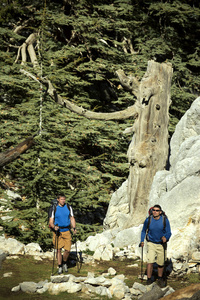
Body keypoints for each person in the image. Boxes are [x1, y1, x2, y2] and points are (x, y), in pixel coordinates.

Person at [140, 204, 171, 287]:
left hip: (161, 244)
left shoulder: (165, 220)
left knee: (161, 263)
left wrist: (166, 238)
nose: (155, 212)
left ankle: (160, 278)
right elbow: (143, 231)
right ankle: (149, 279)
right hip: (151, 243)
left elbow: (169, 232)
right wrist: (142, 241)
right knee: (150, 261)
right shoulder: (148, 220)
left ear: (160, 212)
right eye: (153, 210)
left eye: (157, 210)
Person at [49, 194, 76, 274]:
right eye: (61, 199)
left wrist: (74, 227)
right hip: (58, 232)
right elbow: (51, 220)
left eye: (64, 199)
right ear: (58, 199)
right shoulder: (54, 208)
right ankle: (60, 266)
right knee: (58, 250)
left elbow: (72, 218)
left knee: (67, 250)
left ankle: (64, 262)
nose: (63, 201)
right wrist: (54, 227)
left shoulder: (68, 207)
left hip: (67, 230)